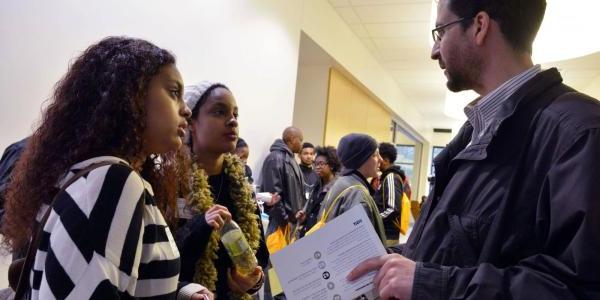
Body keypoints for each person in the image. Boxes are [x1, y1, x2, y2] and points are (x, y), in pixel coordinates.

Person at [349, 0, 600, 299]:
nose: (434, 51)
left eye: (441, 32)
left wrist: (431, 284)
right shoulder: (475, 130)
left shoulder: (579, 132)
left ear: (480, 26)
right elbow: (464, 247)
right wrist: (393, 262)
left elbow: (579, 287)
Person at [1, 37, 211, 299]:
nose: (186, 110)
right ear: (129, 96)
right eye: (173, 92)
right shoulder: (111, 181)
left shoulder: (87, 176)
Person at [175, 81, 269, 299]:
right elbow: (158, 258)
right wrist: (202, 225)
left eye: (235, 114)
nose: (233, 121)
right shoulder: (172, 180)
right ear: (191, 123)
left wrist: (252, 281)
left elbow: (259, 253)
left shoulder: (240, 184)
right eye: (219, 112)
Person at [316, 133, 386, 243]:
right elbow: (361, 246)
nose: (381, 160)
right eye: (375, 155)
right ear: (361, 158)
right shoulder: (356, 192)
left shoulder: (341, 182)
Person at [259, 127, 306, 244]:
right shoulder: (275, 159)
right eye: (300, 140)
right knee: (275, 260)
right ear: (291, 139)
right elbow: (273, 195)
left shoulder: (290, 159)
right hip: (280, 224)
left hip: (292, 223)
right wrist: (285, 220)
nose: (302, 144)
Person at [295, 146, 340, 238]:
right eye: (316, 164)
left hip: (324, 236)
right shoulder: (317, 185)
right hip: (309, 233)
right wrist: (305, 217)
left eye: (321, 164)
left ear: (331, 165)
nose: (317, 167)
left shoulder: (337, 187)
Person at [373, 142, 404, 246]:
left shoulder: (391, 177)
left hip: (388, 236)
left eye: (378, 157)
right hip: (384, 234)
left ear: (385, 161)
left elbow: (393, 209)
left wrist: (373, 219)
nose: (377, 160)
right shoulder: (386, 177)